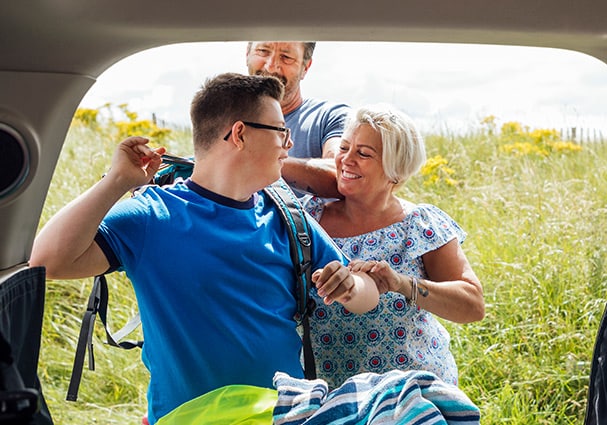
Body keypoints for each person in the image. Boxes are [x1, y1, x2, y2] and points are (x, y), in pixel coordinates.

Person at [29, 73, 379, 424]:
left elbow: (368, 297)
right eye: (280, 132)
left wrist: (351, 286)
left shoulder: (287, 216)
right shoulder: (153, 215)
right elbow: (47, 261)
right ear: (240, 134)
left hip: (285, 415)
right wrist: (116, 181)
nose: (288, 145)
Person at [301, 104, 485, 387]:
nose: (346, 160)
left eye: (363, 154)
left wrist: (401, 283)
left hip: (413, 393)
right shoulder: (306, 218)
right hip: (330, 394)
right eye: (345, 148)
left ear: (396, 171)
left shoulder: (420, 224)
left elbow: (472, 304)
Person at [246, 41, 348, 198]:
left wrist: (258, 161)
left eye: (286, 57)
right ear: (247, 54)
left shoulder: (331, 117)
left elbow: (341, 175)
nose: (271, 66)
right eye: (263, 51)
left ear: (305, 68)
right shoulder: (223, 118)